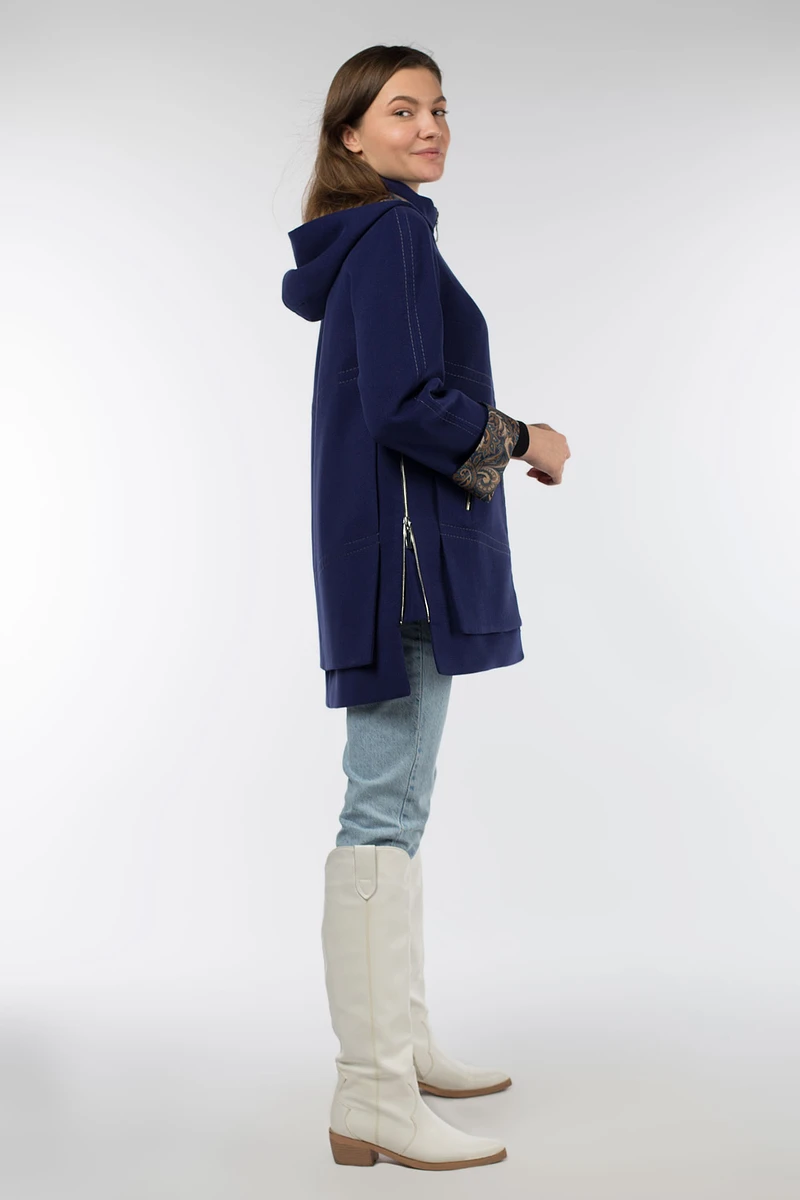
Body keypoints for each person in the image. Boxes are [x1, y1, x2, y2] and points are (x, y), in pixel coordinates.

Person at [282, 44, 570, 1171]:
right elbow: (408, 404)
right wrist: (524, 439)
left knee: (393, 806)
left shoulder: (371, 236)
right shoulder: (393, 233)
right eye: (401, 110)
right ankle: (371, 1092)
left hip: (386, 554)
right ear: (350, 135)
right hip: (406, 563)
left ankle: (394, 1051)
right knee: (384, 810)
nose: (430, 126)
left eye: (439, 107)